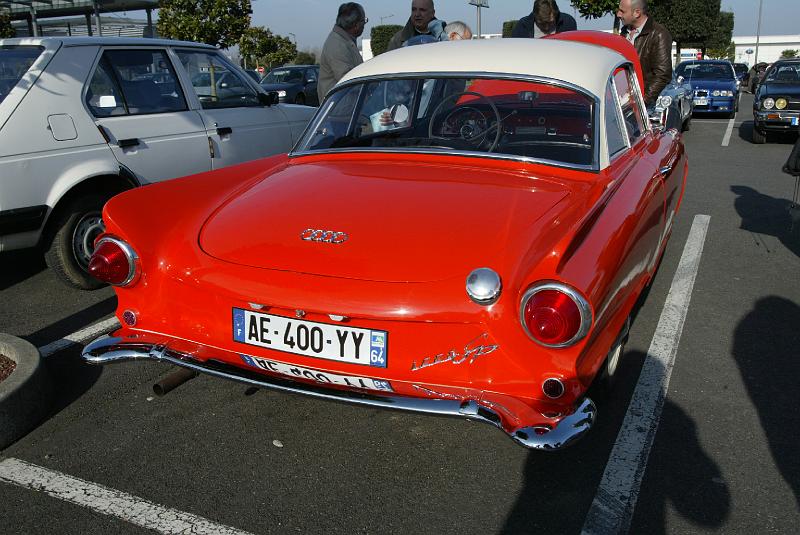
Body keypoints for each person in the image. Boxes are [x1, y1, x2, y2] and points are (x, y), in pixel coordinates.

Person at [617, 0, 672, 106]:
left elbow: (663, 74)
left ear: (637, 13)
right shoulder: (624, 32)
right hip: (622, 102)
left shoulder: (659, 34)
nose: (618, 14)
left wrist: (642, 101)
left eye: (622, 11)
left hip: (644, 106)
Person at [318, 3, 367, 102]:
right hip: (339, 110)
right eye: (364, 21)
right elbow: (348, 80)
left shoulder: (345, 41)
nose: (364, 25)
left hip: (344, 106)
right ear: (356, 25)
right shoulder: (337, 44)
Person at [512, 0, 577, 38]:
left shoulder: (568, 23)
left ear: (556, 15)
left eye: (550, 22)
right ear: (534, 15)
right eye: (542, 23)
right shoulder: (522, 26)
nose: (546, 28)